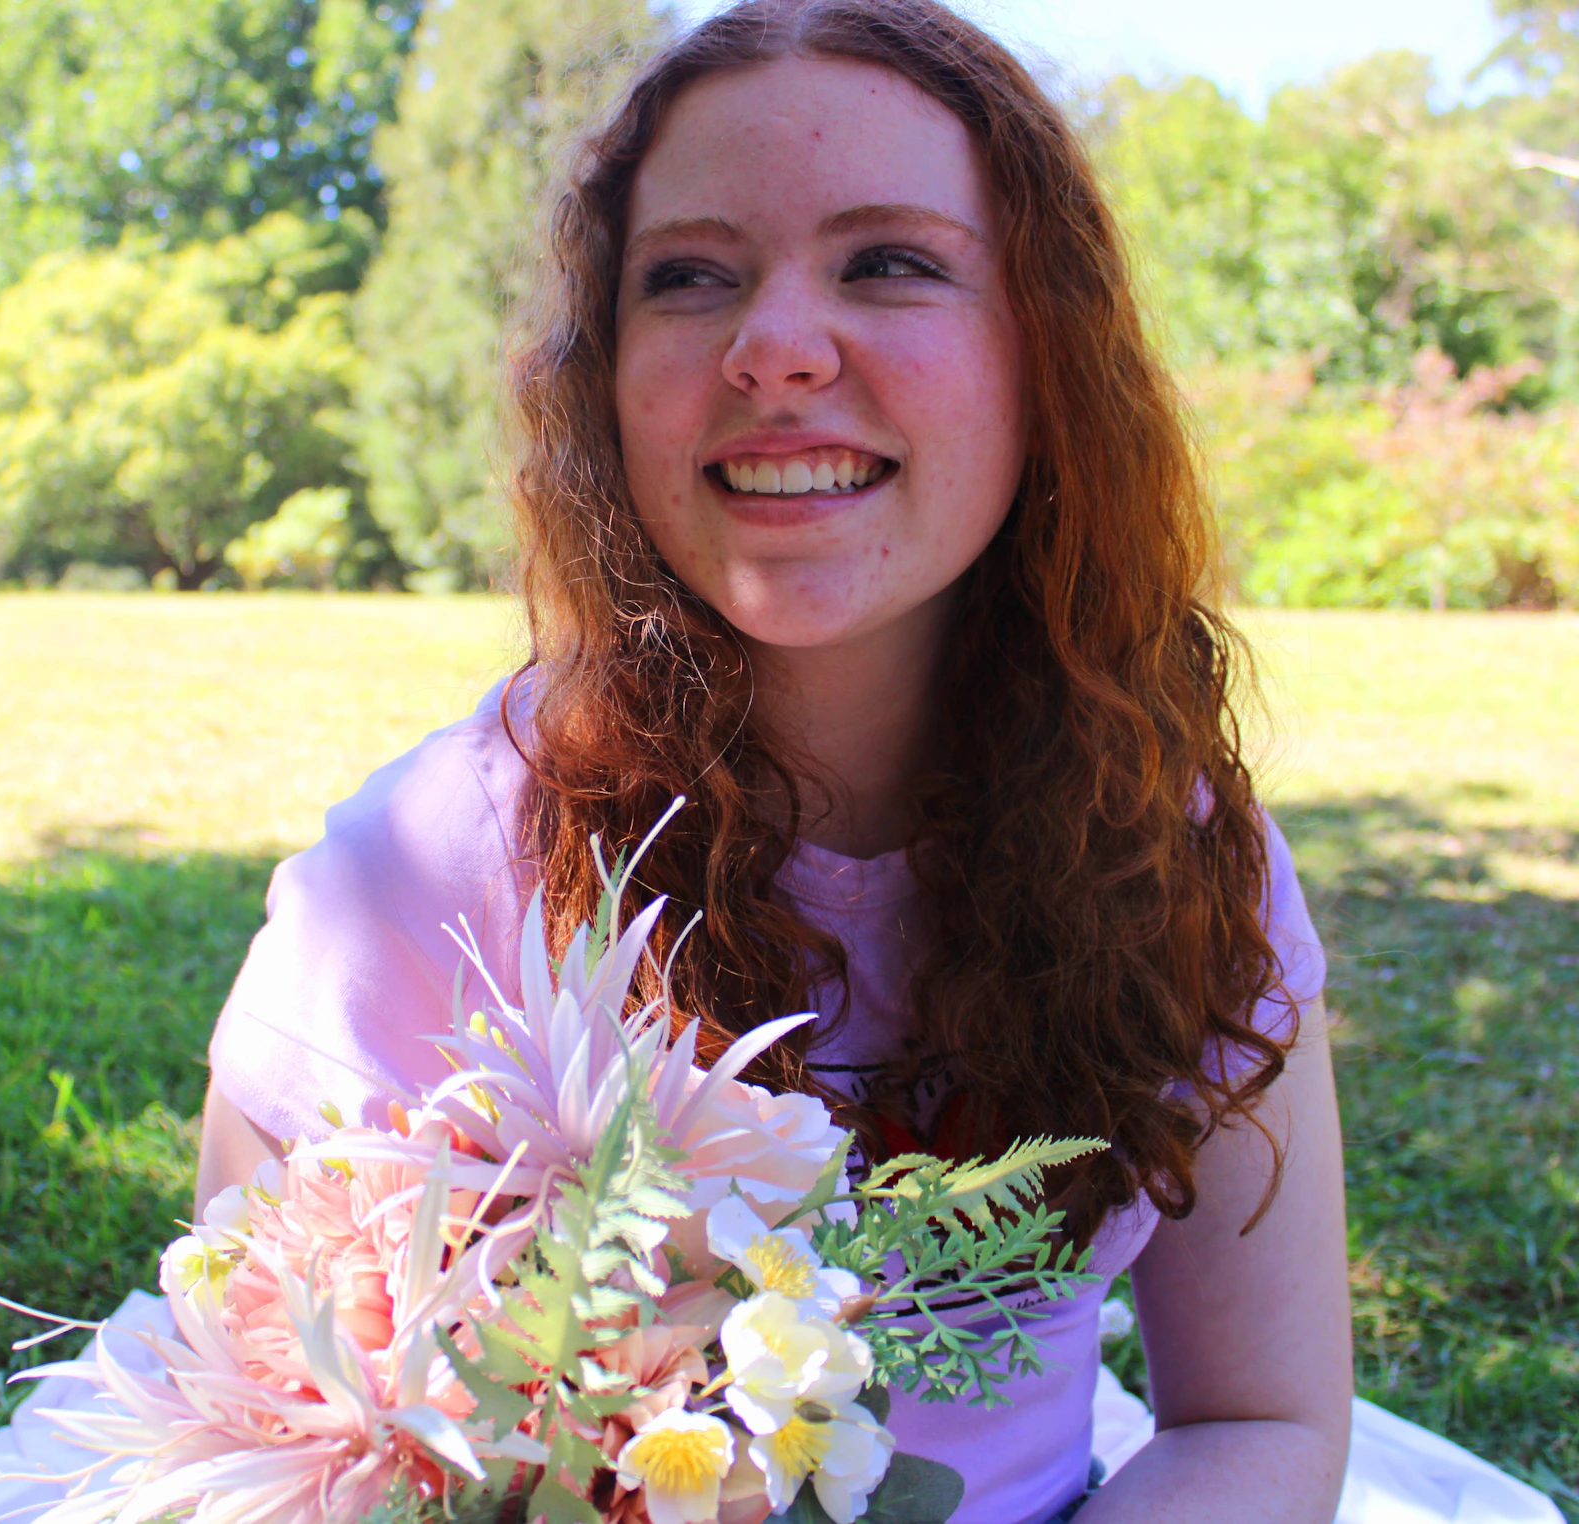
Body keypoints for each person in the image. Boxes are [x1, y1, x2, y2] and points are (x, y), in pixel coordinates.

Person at [195, 4, 1355, 1521]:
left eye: (890, 261)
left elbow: (1258, 1421)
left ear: (1043, 352)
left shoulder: (1172, 842)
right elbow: (268, 1434)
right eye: (690, 277)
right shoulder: (404, 892)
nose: (775, 349)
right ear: (605, 375)